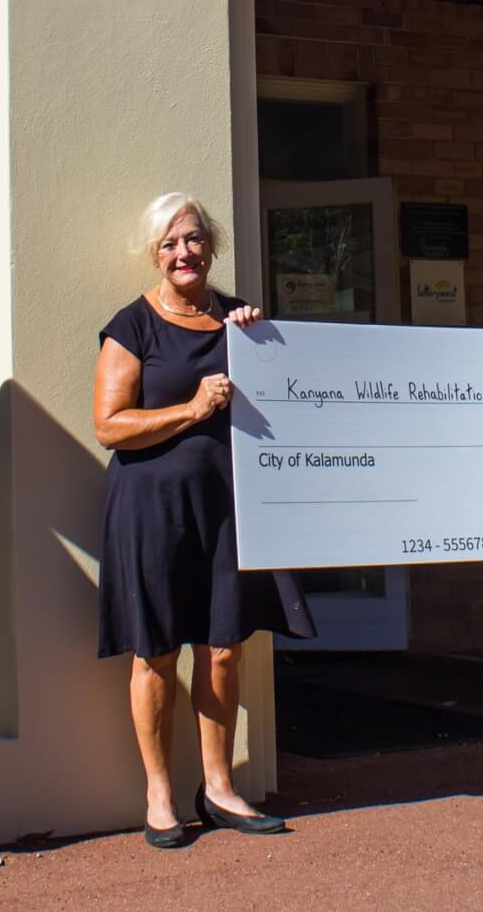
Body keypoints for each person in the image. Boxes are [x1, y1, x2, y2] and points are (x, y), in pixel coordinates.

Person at [93, 193, 316, 848]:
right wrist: (191, 409)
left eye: (193, 239)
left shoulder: (238, 320)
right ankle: (160, 796)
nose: (183, 252)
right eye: (169, 243)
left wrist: (260, 337)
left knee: (224, 648)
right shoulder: (131, 325)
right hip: (150, 509)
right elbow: (110, 425)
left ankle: (218, 787)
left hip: (229, 505)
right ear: (155, 255)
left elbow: (285, 392)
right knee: (156, 651)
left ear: (211, 245)